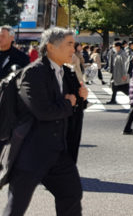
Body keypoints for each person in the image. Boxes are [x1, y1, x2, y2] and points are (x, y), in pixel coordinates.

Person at [3, 27, 87, 216]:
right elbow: (43, 111)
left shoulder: (66, 72)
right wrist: (69, 102)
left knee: (71, 194)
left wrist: (81, 98)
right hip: (31, 153)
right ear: (50, 47)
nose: (74, 49)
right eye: (69, 44)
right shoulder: (33, 73)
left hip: (58, 152)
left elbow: (74, 106)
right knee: (16, 206)